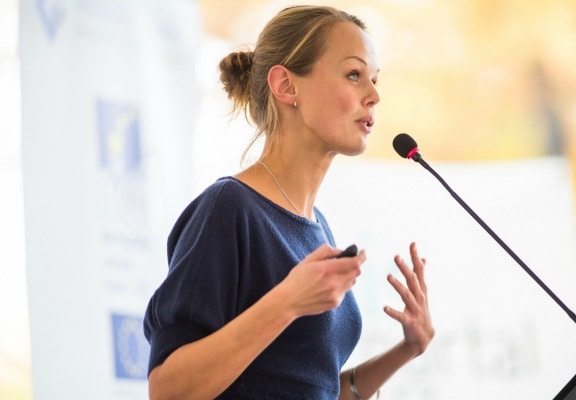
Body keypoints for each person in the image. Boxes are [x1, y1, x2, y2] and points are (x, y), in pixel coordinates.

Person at [143, 5, 434, 400]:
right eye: (354, 75)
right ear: (285, 85)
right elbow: (168, 390)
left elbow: (317, 391)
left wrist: (407, 350)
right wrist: (286, 304)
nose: (374, 95)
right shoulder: (228, 210)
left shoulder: (318, 227)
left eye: (374, 80)